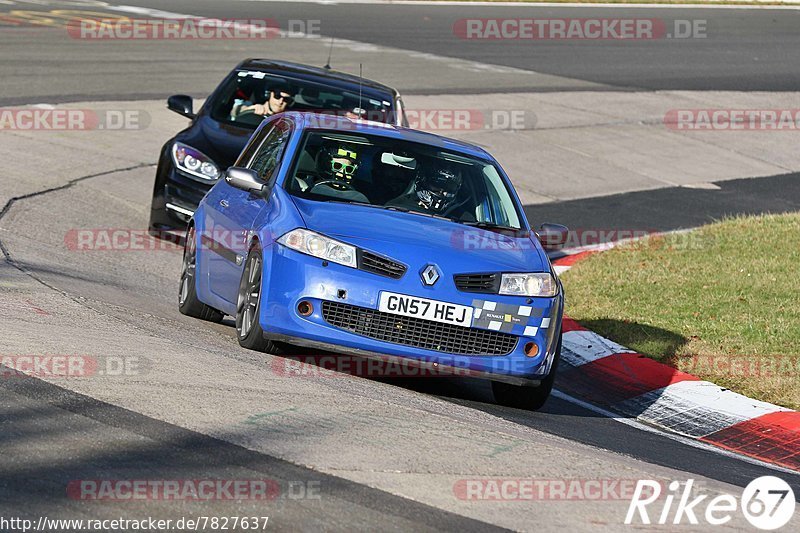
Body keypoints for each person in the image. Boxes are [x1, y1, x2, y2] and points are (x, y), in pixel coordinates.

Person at [387, 163, 465, 217]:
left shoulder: (463, 219)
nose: (442, 191)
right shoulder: (395, 208)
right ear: (423, 181)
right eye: (437, 184)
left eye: (450, 187)